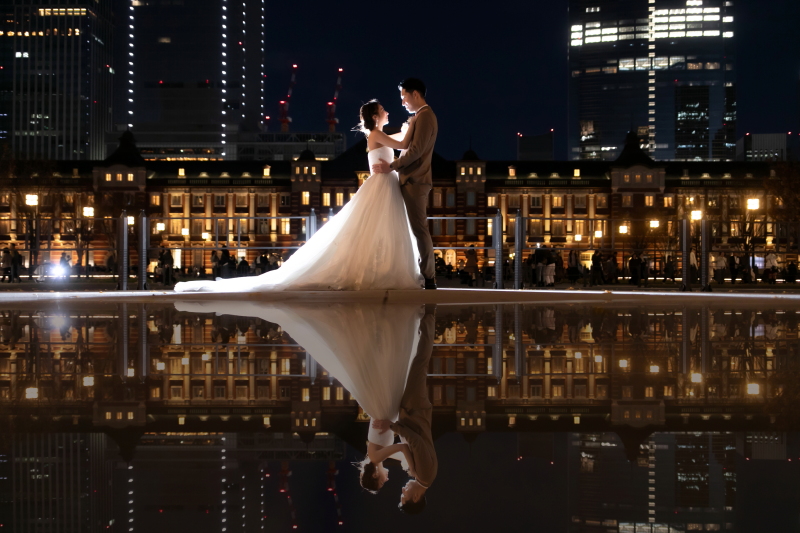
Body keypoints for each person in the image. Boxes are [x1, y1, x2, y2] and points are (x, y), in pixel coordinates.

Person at [174, 299, 427, 497]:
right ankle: (395, 325)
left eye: (383, 482)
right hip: (381, 409)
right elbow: (400, 453)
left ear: (376, 476)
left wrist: (415, 471)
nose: (387, 480)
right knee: (389, 364)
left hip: (382, 409)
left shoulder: (374, 458)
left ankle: (398, 324)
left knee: (391, 362)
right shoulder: (375, 457)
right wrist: (414, 469)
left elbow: (403, 449)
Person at [175, 97, 423, 293]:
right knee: (383, 229)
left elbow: (400, 140)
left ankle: (382, 272)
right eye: (383, 110)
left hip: (384, 183)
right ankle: (382, 273)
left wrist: (408, 130)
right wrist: (412, 126)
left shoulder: (379, 135)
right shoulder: (376, 135)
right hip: (382, 184)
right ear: (375, 116)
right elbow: (401, 145)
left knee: (382, 230)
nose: (388, 112)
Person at [372, 78, 438, 290]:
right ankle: (424, 275)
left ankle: (429, 278)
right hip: (412, 179)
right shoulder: (420, 116)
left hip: (416, 180)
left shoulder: (425, 116)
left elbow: (416, 150)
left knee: (419, 229)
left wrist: (391, 166)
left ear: (415, 94)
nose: (402, 102)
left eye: (404, 97)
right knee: (415, 229)